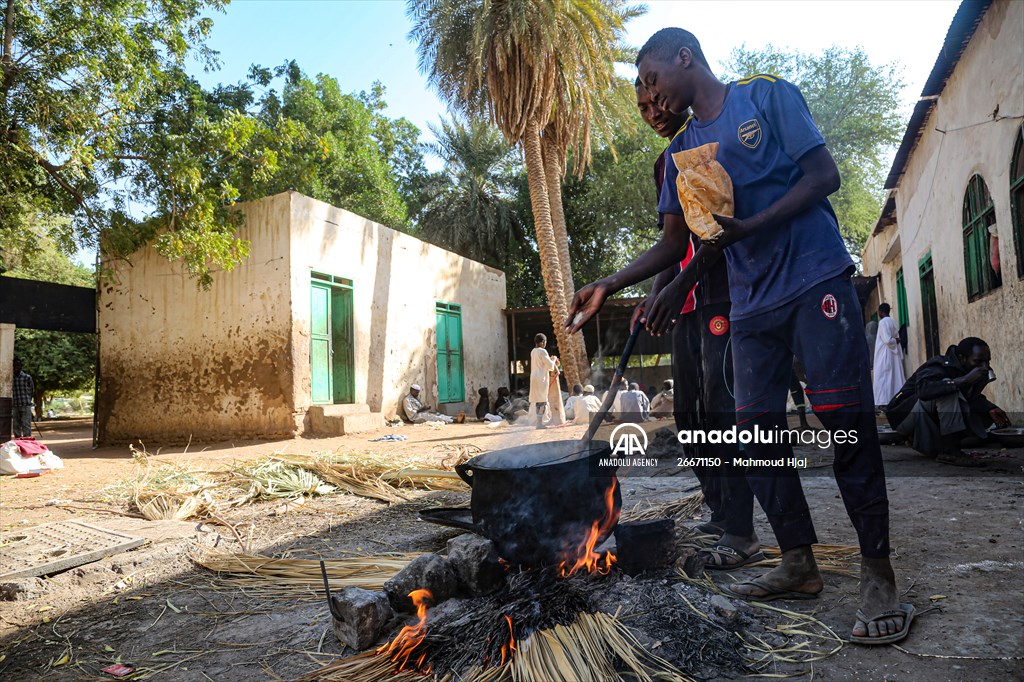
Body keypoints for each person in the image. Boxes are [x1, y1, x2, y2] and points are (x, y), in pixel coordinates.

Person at [568, 28, 908, 643]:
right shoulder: (679, 154)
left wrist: (750, 226)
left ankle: (878, 573)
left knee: (846, 425)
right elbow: (681, 241)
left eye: (650, 78)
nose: (650, 94)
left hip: (813, 278)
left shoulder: (766, 97)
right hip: (751, 304)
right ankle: (798, 562)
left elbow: (823, 175)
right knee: (754, 436)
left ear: (685, 57)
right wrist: (611, 282)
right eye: (641, 87)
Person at [633, 75, 758, 566]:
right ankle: (720, 507)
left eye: (656, 100)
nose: (653, 112)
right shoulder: (665, 162)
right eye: (643, 107)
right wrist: (654, 295)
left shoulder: (712, 141)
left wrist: (680, 284)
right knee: (690, 417)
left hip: (721, 295)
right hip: (684, 304)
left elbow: (715, 235)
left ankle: (740, 525)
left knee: (723, 413)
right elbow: (673, 243)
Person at [886, 337, 1011, 467]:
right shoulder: (938, 365)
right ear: (962, 358)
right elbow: (923, 391)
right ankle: (950, 452)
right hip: (902, 415)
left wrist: (990, 408)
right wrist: (963, 381)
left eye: (987, 361)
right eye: (978, 361)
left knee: (983, 415)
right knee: (948, 388)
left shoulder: (970, 370)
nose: (984, 367)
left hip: (922, 413)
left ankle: (924, 439)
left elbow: (968, 399)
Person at [872, 304, 905, 407]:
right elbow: (896, 338)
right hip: (893, 354)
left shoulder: (882, 323)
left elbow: (887, 340)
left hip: (885, 354)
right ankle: (894, 400)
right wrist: (896, 340)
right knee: (894, 377)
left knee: (883, 378)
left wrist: (895, 340)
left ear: (881, 312)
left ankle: (884, 403)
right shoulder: (893, 321)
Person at [529, 334, 557, 429]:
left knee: (538, 401)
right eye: (545, 342)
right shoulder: (543, 351)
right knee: (543, 400)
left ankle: (539, 422)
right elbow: (550, 366)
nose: (545, 344)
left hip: (534, 377)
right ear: (542, 342)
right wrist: (553, 360)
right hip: (541, 378)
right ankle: (539, 423)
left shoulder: (533, 351)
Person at [12, 358, 35, 438]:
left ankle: (27, 442)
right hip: (15, 405)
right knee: (16, 426)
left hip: (25, 404)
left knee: (26, 425)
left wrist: (28, 400)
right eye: (14, 366)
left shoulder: (27, 377)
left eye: (18, 365)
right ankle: (18, 442)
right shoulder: (10, 378)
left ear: (21, 366)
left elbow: (32, 390)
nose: (16, 367)